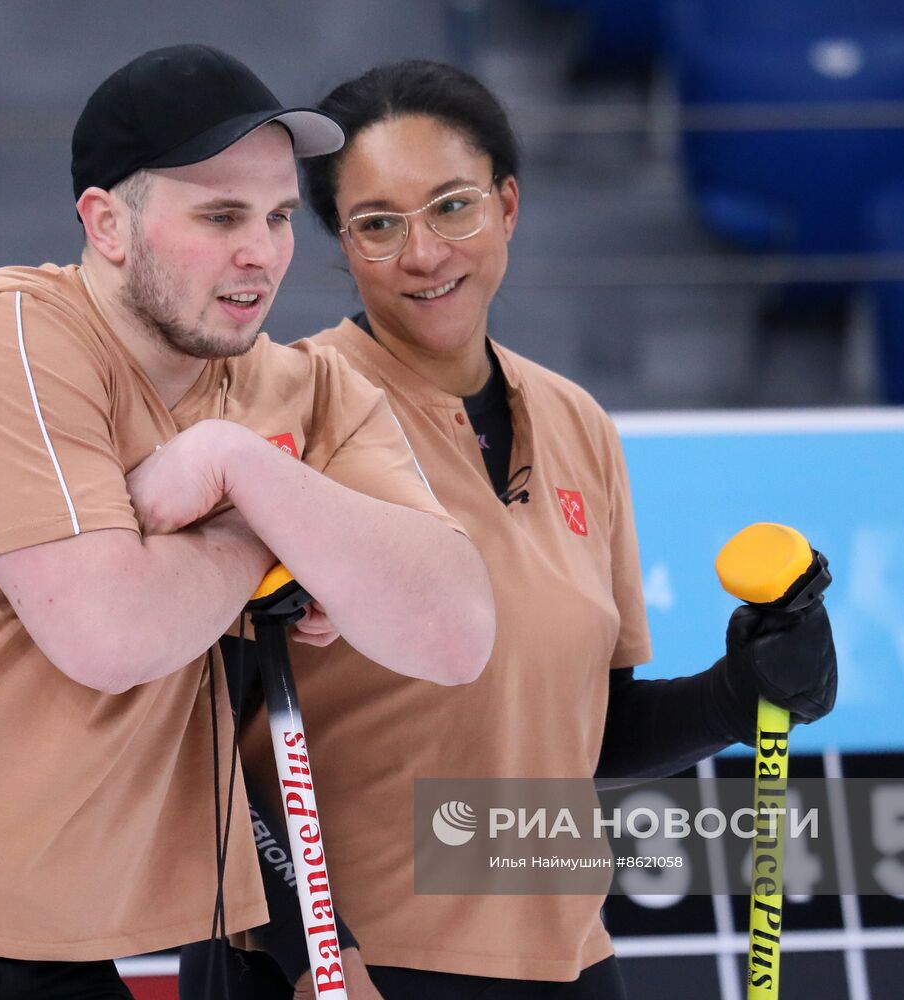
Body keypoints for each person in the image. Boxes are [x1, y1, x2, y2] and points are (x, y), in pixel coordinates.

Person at [0, 46, 497, 1000]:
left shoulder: (312, 390)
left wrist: (239, 465)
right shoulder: (4, 338)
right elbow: (109, 631)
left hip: (61, 933)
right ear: (107, 224)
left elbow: (454, 631)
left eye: (280, 217)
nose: (261, 252)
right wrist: (274, 531)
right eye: (219, 217)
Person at [179, 61, 837, 999]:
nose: (423, 252)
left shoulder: (577, 424)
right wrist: (310, 951)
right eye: (377, 224)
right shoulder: (279, 411)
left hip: (563, 956)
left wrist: (743, 693)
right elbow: (192, 750)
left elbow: (579, 734)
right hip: (344, 968)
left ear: (509, 205)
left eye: (453, 206)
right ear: (340, 243)